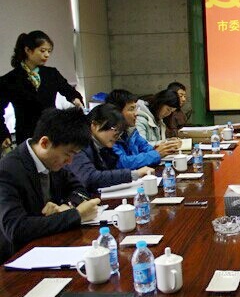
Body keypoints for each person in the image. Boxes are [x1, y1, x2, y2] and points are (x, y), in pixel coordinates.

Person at [0, 108, 100, 262]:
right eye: (67, 154)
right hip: (18, 257)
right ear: (45, 143)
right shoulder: (8, 171)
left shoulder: (52, 162)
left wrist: (67, 206)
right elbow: (16, 229)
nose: (70, 161)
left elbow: (79, 189)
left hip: (51, 245)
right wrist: (75, 215)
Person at [0, 31, 84, 147]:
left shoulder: (51, 74)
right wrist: (3, 133)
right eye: (42, 51)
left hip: (52, 131)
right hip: (27, 135)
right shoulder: (10, 79)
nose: (47, 55)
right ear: (28, 50)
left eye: (49, 51)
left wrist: (76, 99)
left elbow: (68, 90)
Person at [68, 104, 154, 193]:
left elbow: (110, 171)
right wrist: (134, 174)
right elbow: (90, 178)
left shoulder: (103, 147)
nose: (117, 135)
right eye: (114, 129)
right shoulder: (78, 145)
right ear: (94, 125)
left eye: (120, 131)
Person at [106, 89, 173, 169]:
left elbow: (146, 147)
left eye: (136, 108)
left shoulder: (131, 131)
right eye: (131, 109)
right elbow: (122, 162)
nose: (136, 113)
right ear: (117, 112)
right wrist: (156, 154)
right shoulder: (108, 134)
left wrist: (161, 149)